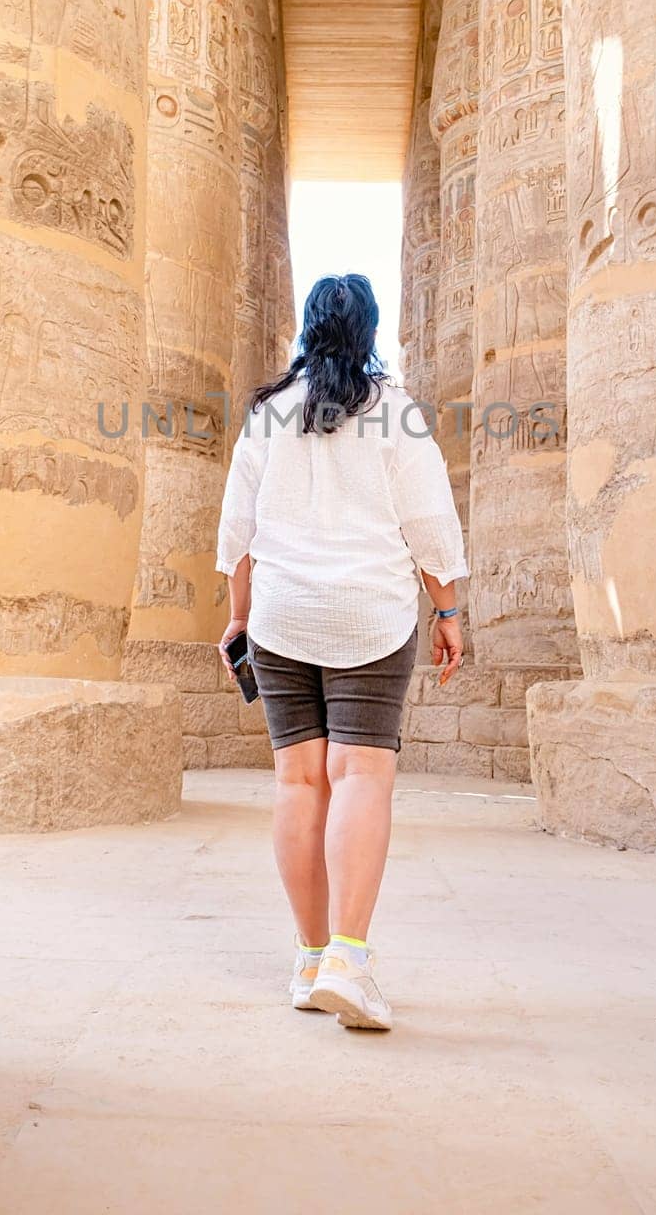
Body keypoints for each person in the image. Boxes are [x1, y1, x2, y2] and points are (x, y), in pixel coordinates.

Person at [215, 273, 467, 1031]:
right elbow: (427, 522)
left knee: (297, 782)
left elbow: (238, 533)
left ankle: (307, 958)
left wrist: (239, 619)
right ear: (369, 331)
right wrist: (447, 609)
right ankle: (348, 963)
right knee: (360, 772)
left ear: (307, 328)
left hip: (283, 611)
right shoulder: (395, 411)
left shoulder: (266, 414)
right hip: (370, 612)